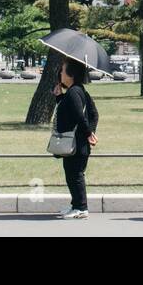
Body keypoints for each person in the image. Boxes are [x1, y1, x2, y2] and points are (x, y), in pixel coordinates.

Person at [53, 57, 99, 219]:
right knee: (71, 173)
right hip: (77, 142)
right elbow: (93, 113)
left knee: (76, 174)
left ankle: (81, 208)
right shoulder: (78, 91)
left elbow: (80, 116)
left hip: (77, 143)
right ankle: (75, 204)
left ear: (70, 74)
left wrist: (88, 133)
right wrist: (59, 97)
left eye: (63, 70)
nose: (60, 73)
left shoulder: (74, 93)